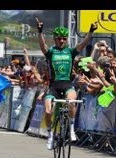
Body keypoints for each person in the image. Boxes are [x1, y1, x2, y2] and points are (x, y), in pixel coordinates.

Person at [36, 17, 98, 150]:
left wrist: (91, 31)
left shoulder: (70, 52)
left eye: (64, 38)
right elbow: (42, 46)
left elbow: (83, 43)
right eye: (59, 38)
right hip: (53, 86)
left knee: (71, 102)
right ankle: (50, 134)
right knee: (47, 111)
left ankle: (71, 128)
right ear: (55, 39)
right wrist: (40, 31)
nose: (62, 41)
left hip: (67, 85)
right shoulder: (51, 52)